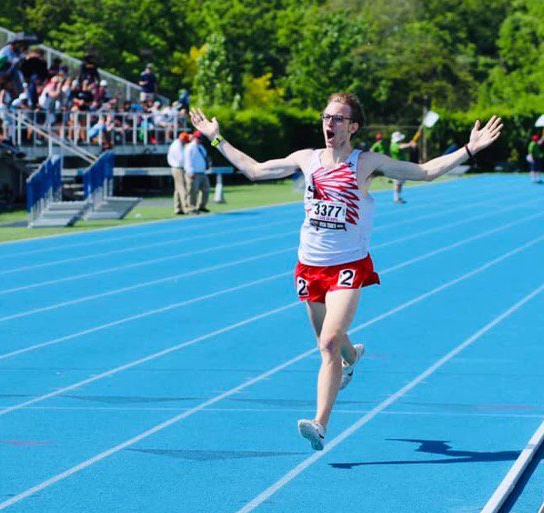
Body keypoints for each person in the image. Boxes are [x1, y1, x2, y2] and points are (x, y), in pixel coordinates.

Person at [189, 93, 502, 450]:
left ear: (352, 127)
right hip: (309, 266)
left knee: (327, 344)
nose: (329, 123)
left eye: (338, 118)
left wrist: (470, 149)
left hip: (347, 267)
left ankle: (319, 424)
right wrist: (216, 138)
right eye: (326, 116)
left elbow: (425, 172)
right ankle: (353, 357)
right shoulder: (307, 159)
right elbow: (255, 170)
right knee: (334, 344)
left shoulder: (366, 162)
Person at [184, 130, 210, 214]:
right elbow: (188, 160)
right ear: (194, 137)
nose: (200, 139)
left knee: (205, 189)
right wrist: (190, 171)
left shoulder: (201, 147)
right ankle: (191, 207)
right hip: (194, 173)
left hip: (202, 172)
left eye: (201, 138)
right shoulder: (190, 147)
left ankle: (202, 206)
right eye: (198, 138)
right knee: (193, 191)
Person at [167, 132, 191, 215]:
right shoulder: (177, 146)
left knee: (177, 189)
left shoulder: (177, 144)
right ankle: (186, 208)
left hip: (176, 168)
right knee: (182, 188)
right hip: (178, 168)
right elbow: (182, 159)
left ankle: (177, 208)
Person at [389, 130, 416, 203]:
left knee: (400, 183)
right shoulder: (393, 145)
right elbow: (400, 147)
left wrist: (410, 145)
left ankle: (398, 197)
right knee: (397, 183)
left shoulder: (398, 144)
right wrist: (409, 144)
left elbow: (402, 146)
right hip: (396, 167)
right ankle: (396, 198)